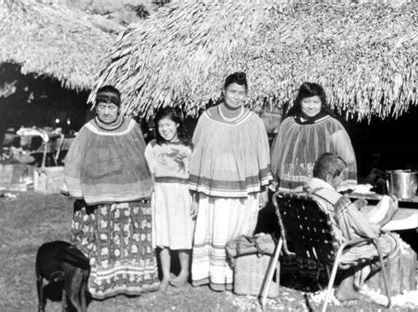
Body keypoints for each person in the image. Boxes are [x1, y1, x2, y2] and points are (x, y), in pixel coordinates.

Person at [62, 85, 159, 299]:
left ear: (119, 108)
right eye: (102, 106)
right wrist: (76, 188)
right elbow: (74, 161)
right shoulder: (88, 130)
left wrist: (143, 186)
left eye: (111, 107)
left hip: (129, 199)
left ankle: (131, 281)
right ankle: (102, 283)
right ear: (96, 107)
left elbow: (141, 159)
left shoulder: (132, 127)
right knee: (102, 242)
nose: (106, 112)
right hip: (99, 200)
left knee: (128, 241)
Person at [189, 72, 272, 291]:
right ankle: (208, 273)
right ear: (223, 91)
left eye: (241, 93)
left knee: (237, 228)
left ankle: (234, 274)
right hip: (211, 188)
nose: (236, 97)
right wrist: (195, 194)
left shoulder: (254, 121)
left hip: (243, 190)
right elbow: (197, 153)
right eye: (232, 91)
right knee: (212, 228)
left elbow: (262, 154)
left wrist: (264, 189)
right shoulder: (206, 118)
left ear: (246, 95)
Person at [303, 153, 401, 301]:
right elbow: (367, 233)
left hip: (307, 248)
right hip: (335, 253)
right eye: (341, 177)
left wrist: (352, 208)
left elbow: (334, 218)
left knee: (354, 237)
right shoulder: (337, 200)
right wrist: (387, 218)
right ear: (329, 177)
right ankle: (347, 287)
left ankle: (346, 285)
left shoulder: (301, 191)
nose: (342, 181)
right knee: (390, 241)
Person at [271, 82, 357, 192]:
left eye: (316, 102)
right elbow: (277, 156)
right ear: (299, 102)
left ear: (322, 103)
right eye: (306, 102)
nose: (311, 106)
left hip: (321, 186)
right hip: (290, 184)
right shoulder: (288, 124)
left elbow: (347, 158)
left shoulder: (331, 125)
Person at [144, 107, 194, 291]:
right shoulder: (152, 146)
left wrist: (194, 200)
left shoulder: (188, 148)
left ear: (177, 124)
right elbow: (150, 173)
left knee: (182, 231)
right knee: (162, 233)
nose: (165, 129)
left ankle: (184, 272)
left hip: (182, 194)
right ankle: (164, 275)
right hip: (160, 193)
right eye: (161, 126)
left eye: (168, 125)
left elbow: (194, 175)